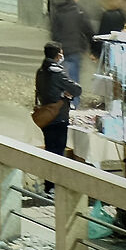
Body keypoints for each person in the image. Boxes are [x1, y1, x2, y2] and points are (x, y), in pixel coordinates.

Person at [33, 40, 80, 189]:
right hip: (58, 117)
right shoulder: (57, 72)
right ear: (58, 54)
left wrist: (60, 92)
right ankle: (54, 186)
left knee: (49, 150)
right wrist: (65, 93)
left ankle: (48, 185)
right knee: (58, 152)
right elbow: (77, 89)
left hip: (46, 116)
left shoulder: (40, 71)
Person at [48, 0, 96, 85]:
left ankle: (62, 98)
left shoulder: (58, 11)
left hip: (61, 50)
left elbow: (54, 32)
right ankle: (74, 99)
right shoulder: (79, 12)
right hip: (75, 49)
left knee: (61, 77)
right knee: (73, 79)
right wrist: (93, 49)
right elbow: (88, 31)